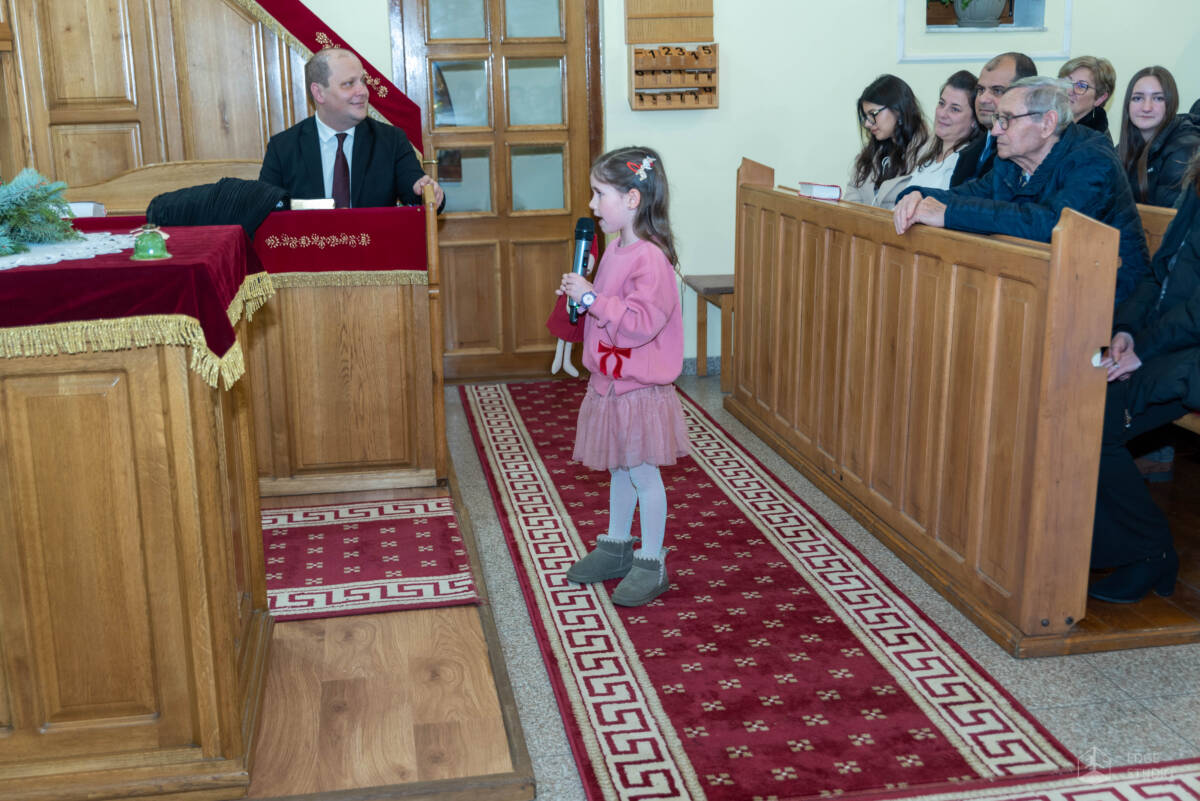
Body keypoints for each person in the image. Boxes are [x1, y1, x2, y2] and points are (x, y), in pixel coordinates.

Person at [558, 146, 688, 608]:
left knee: (643, 474)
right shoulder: (614, 249)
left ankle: (651, 561)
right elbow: (606, 310)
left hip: (638, 389)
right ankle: (617, 545)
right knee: (620, 466)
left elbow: (640, 323)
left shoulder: (650, 259)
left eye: (599, 194)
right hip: (609, 385)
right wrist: (582, 296)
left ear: (632, 199)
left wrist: (594, 299)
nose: (591, 204)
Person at [893, 76, 1149, 308]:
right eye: (997, 119)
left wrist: (949, 214)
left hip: (1109, 304)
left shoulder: (1093, 160)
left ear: (1047, 123)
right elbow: (968, 194)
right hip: (1040, 288)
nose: (995, 131)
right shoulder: (1011, 161)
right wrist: (916, 195)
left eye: (1006, 120)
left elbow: (1051, 224)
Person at [1088, 152, 1200, 603]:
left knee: (1098, 421)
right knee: (1079, 390)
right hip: (1168, 339)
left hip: (1189, 351)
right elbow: (1159, 276)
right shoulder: (1196, 187)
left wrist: (1143, 348)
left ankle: (1150, 553)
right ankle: (1098, 544)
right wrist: (1126, 331)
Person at [259, 47, 444, 209]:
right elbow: (264, 211)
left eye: (363, 81)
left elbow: (418, 197)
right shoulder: (282, 148)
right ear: (319, 93)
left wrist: (429, 193)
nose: (363, 91)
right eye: (349, 84)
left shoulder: (391, 140)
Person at [1117, 66, 1200, 208]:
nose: (1146, 107)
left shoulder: (1185, 149)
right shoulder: (1125, 146)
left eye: (1158, 98)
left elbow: (1166, 218)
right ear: (1128, 105)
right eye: (1138, 98)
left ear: (1171, 104)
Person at [843, 75, 929, 209]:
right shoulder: (869, 154)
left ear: (898, 110)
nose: (867, 123)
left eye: (873, 114)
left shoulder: (929, 155)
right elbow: (851, 200)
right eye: (865, 116)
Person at [956, 52, 1038, 183]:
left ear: (1024, 94)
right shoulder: (967, 152)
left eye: (997, 90)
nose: (982, 99)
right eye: (981, 89)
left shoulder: (1028, 152)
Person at [908, 70, 983, 191]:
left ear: (975, 120)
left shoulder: (964, 166)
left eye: (955, 109)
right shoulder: (927, 155)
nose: (942, 114)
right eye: (941, 103)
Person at [1058, 55, 1116, 140]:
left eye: (1081, 86)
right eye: (1067, 81)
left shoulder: (1096, 142)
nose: (1069, 91)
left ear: (1100, 98)